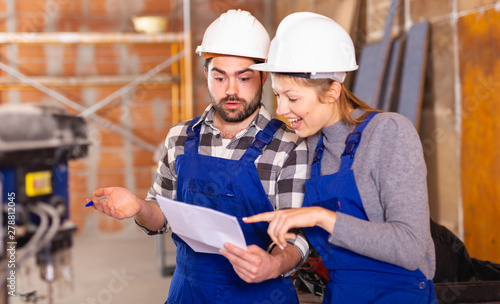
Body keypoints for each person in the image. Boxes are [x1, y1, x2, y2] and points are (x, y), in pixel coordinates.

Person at [88, 9, 309, 304]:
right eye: (220, 77)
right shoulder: (180, 137)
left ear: (263, 76)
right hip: (188, 292)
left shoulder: (288, 145)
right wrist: (139, 206)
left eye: (244, 78)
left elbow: (297, 236)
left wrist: (274, 264)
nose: (231, 90)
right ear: (206, 74)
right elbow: (161, 218)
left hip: (260, 293)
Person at [246, 12, 438, 303]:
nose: (281, 109)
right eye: (277, 95)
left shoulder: (388, 133)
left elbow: (410, 247)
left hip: (397, 295)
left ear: (333, 91)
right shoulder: (311, 145)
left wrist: (321, 217)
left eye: (292, 98)